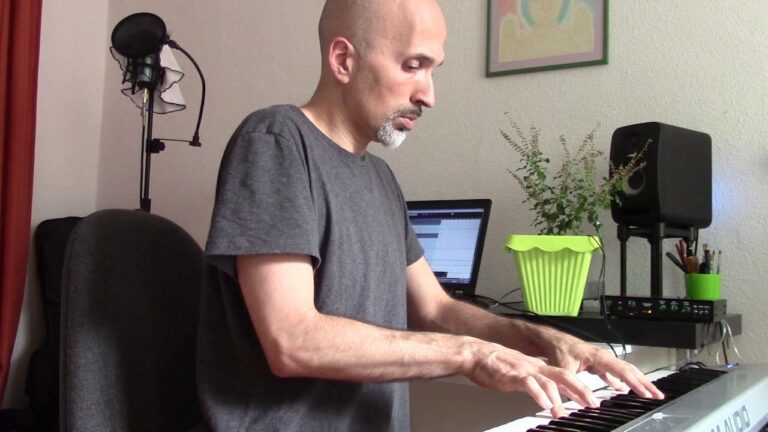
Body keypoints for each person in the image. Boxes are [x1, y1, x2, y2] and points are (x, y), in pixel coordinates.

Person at [198, 0, 664, 431]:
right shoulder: (275, 141)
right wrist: (470, 354)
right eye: (412, 66)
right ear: (343, 60)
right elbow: (294, 340)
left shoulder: (380, 178)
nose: (429, 95)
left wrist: (546, 339)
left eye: (433, 70)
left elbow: (436, 309)